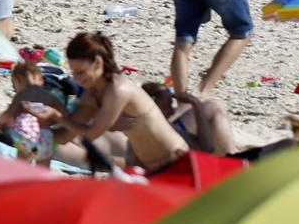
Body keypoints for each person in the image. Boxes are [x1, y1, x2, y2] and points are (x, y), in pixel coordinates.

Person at [38, 31, 190, 173]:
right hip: (149, 166)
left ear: (97, 63)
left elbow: (92, 133)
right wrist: (34, 135)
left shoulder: (118, 89)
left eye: (81, 72)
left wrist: (57, 116)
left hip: (176, 160)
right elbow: (67, 135)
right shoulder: (92, 94)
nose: (76, 79)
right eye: (74, 73)